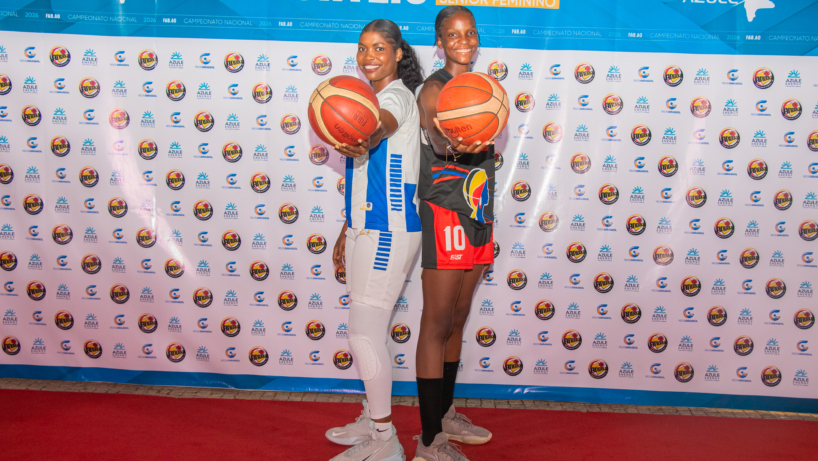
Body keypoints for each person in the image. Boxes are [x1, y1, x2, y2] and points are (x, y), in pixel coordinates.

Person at [325, 19, 424, 461]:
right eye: (363, 47)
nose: (369, 56)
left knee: (364, 335)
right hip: (366, 227)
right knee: (369, 331)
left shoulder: (396, 97)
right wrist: (346, 228)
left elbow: (379, 127)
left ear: (398, 53)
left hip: (388, 231)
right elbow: (367, 176)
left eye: (380, 48)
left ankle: (385, 440)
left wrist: (363, 135)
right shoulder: (367, 98)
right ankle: (372, 417)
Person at [412, 6, 496, 461]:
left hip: (478, 211)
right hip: (445, 210)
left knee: (459, 320)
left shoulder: (483, 89)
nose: (464, 41)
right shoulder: (434, 89)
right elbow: (438, 137)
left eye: (470, 32)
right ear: (439, 41)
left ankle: (443, 415)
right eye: (453, 34)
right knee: (436, 322)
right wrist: (454, 142)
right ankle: (429, 441)